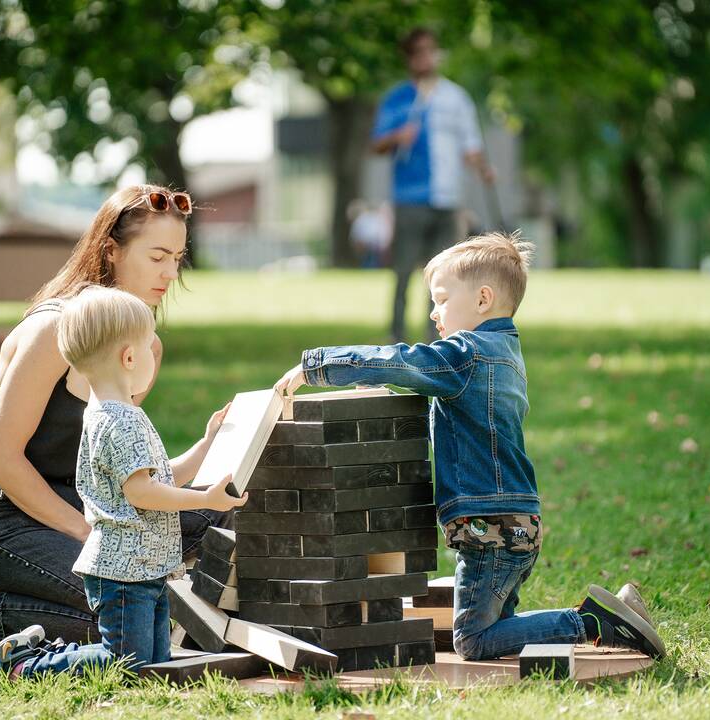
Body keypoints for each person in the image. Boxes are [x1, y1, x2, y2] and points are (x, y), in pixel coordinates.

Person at [275, 232, 665, 661]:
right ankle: (619, 613)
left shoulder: (465, 355)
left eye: (441, 299)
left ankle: (595, 623)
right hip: (518, 520)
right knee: (502, 632)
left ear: (482, 299)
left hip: (488, 529)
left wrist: (318, 366)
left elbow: (401, 362)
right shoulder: (506, 353)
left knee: (474, 641)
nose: (433, 311)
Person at [0, 184, 237, 674]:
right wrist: (89, 534)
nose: (169, 273)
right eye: (157, 256)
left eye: (178, 258)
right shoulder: (52, 331)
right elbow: (2, 461)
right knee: (128, 616)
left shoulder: (145, 348)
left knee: (223, 529)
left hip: (87, 502)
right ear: (112, 250)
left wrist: (209, 463)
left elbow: (119, 468)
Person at [0, 286, 247, 685]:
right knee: (125, 660)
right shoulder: (120, 423)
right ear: (130, 357)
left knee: (154, 660)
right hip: (124, 569)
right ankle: (24, 663)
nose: (154, 355)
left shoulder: (109, 413)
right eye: (151, 348)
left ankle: (36, 658)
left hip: (143, 565)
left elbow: (159, 477)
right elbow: (142, 494)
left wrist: (206, 444)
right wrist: (205, 498)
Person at [370, 27, 495, 343]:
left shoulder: (456, 97)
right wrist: (398, 137)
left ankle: (436, 339)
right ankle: (396, 336)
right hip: (410, 198)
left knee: (446, 275)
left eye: (430, 50)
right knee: (403, 272)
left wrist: (484, 169)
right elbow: (377, 145)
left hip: (449, 199)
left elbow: (471, 144)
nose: (426, 58)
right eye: (419, 52)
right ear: (409, 58)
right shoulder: (397, 99)